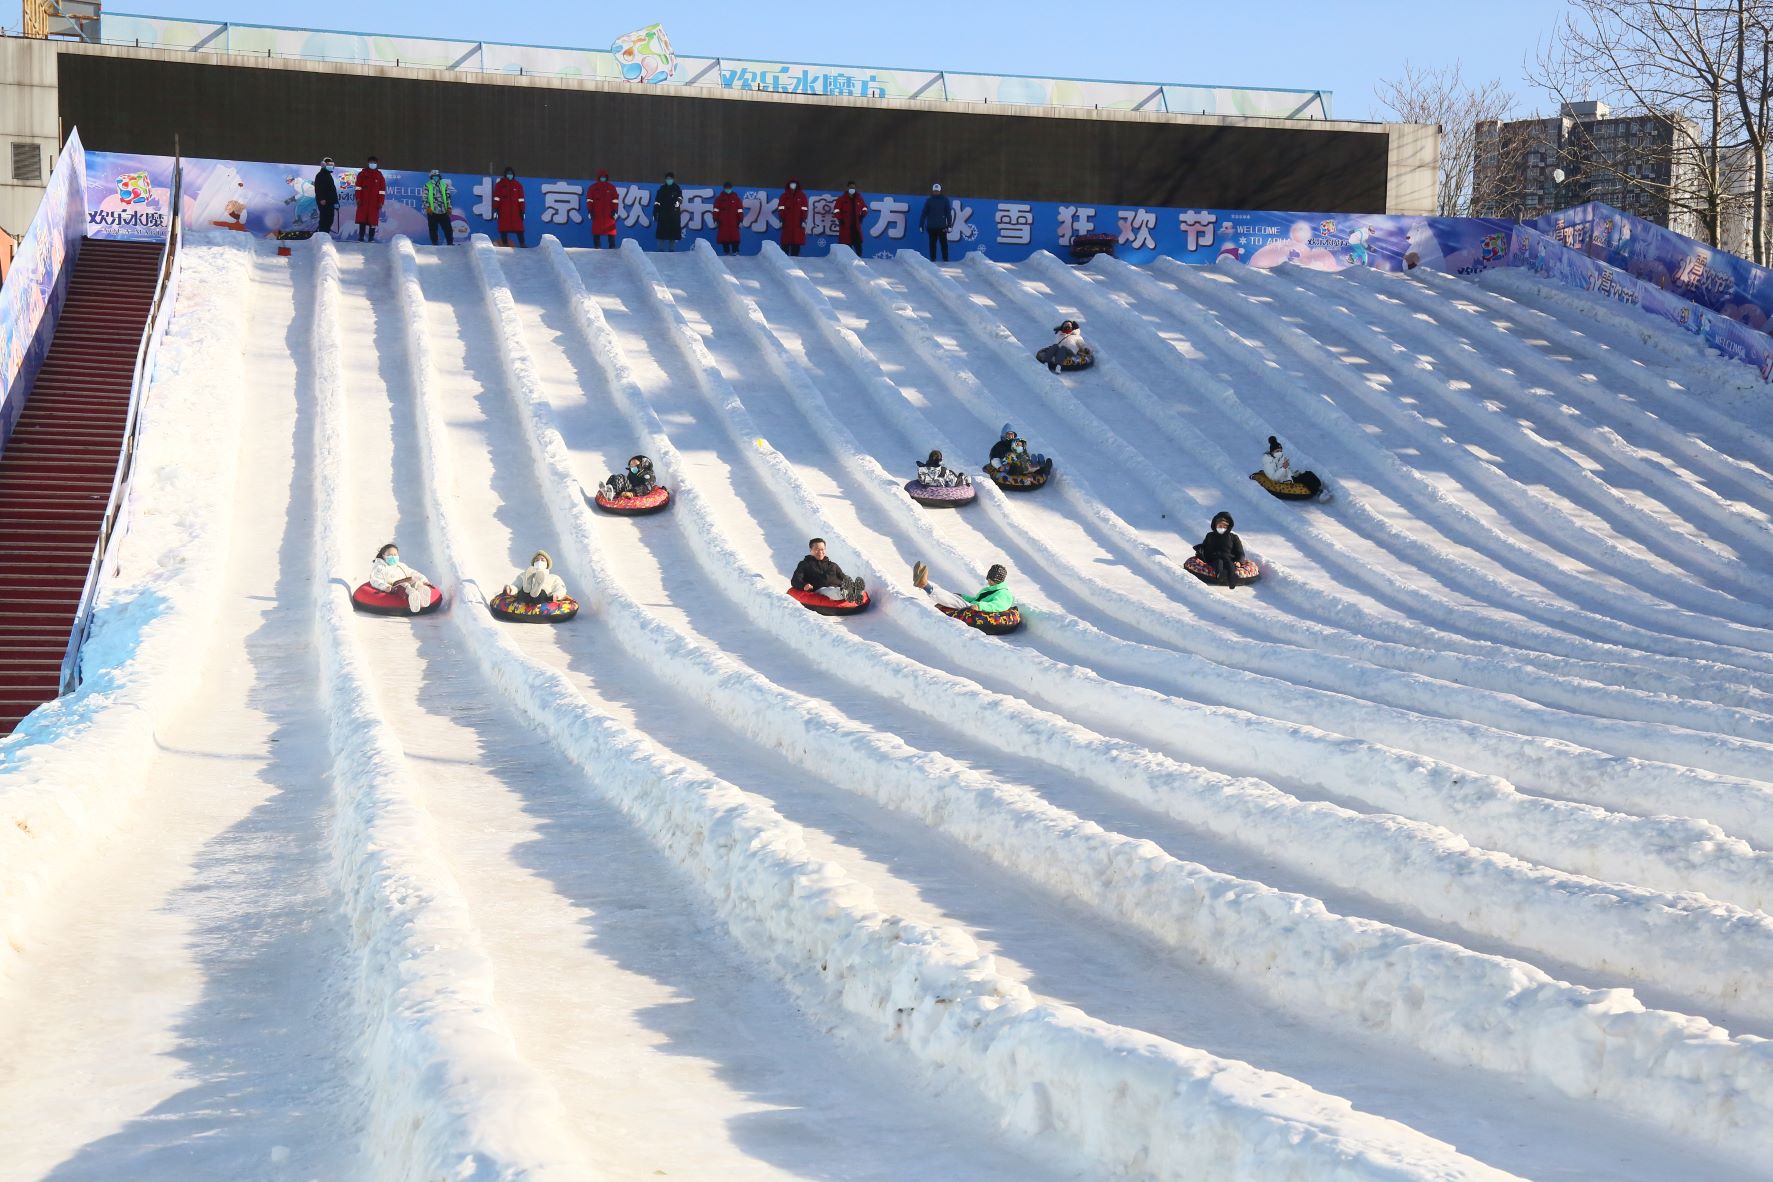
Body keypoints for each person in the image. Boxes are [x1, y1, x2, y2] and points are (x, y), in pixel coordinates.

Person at [911, 560, 1015, 615]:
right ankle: (925, 584)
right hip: (972, 605)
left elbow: (998, 606)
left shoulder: (1004, 594)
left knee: (953, 601)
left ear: (997, 580)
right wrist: (963, 596)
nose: (988, 581)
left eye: (990, 580)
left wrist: (980, 607)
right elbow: (975, 599)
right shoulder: (990, 589)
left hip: (978, 610)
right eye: (989, 579)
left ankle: (925, 585)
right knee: (952, 596)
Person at [791, 537, 865, 603]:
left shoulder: (833, 565)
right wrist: (804, 585)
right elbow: (796, 580)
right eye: (817, 549)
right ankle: (847, 593)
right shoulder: (804, 564)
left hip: (838, 587)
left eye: (822, 549)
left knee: (841, 588)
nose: (820, 552)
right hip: (821, 589)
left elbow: (844, 577)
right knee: (832, 591)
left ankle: (854, 591)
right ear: (811, 550)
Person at [369, 542, 435, 613]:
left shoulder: (400, 565)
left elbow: (412, 572)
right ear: (384, 556)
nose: (393, 557)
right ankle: (412, 595)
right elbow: (375, 579)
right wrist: (385, 587)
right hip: (394, 586)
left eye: (395, 555)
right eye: (390, 555)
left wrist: (424, 580)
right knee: (404, 586)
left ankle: (422, 590)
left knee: (415, 581)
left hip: (405, 581)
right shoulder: (380, 567)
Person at [1195, 511, 1248, 589]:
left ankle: (1232, 579)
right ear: (1215, 525)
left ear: (1228, 527)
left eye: (1224, 526)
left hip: (1228, 558)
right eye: (1220, 526)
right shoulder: (1210, 536)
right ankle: (1220, 576)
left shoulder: (1233, 537)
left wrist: (1239, 561)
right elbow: (1204, 547)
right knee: (1219, 563)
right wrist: (1200, 552)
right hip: (1213, 558)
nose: (1222, 528)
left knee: (1229, 564)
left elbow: (1240, 552)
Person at [503, 550, 568, 604]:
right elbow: (516, 585)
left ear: (547, 564)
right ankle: (527, 588)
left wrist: (556, 595)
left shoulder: (553, 577)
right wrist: (510, 589)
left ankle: (536, 589)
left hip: (543, 597)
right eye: (536, 560)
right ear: (533, 563)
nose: (539, 561)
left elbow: (561, 589)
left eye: (542, 560)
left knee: (542, 593)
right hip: (526, 598)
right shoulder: (525, 574)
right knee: (523, 592)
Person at [919, 183, 954, 262]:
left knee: (944, 244)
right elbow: (924, 213)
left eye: (937, 191)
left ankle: (945, 259)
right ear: (932, 191)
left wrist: (949, 225)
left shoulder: (945, 200)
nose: (936, 192)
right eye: (935, 191)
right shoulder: (929, 200)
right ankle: (933, 259)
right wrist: (921, 225)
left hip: (942, 226)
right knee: (932, 244)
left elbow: (948, 213)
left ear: (940, 191)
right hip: (931, 227)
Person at [354, 155, 386, 243]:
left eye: (374, 163)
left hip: (374, 203)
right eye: (371, 162)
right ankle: (361, 237)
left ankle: (371, 238)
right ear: (368, 163)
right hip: (363, 201)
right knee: (362, 220)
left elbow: (382, 191)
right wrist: (358, 198)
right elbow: (358, 188)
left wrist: (380, 202)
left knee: (373, 221)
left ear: (377, 164)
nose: (373, 164)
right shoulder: (362, 174)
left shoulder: (379, 175)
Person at [492, 167, 526, 247]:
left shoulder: (518, 185)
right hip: (503, 211)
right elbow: (497, 198)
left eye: (511, 173)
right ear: (505, 174)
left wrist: (522, 210)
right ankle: (505, 244)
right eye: (508, 173)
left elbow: (521, 199)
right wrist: (495, 209)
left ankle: (522, 243)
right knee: (503, 228)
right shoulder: (500, 185)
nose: (509, 175)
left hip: (516, 212)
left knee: (519, 229)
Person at [833, 183, 868, 254]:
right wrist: (840, 219)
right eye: (850, 187)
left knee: (858, 248)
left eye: (853, 187)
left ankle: (859, 262)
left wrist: (862, 215)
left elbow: (865, 208)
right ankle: (848, 263)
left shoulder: (859, 199)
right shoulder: (841, 199)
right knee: (846, 247)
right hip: (845, 226)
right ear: (847, 188)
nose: (852, 189)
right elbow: (836, 210)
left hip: (856, 227)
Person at [587, 170, 619, 248]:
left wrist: (615, 211)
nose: (603, 179)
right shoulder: (593, 188)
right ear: (598, 178)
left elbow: (615, 200)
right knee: (596, 231)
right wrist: (590, 211)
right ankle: (597, 247)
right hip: (597, 213)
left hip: (609, 214)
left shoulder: (611, 187)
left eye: (604, 177)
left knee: (611, 231)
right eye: (601, 177)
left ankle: (612, 247)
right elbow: (589, 200)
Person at [422, 169, 455, 246]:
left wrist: (449, 207)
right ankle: (434, 242)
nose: (435, 177)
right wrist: (427, 207)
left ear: (439, 176)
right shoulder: (427, 185)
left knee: (448, 228)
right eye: (434, 176)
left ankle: (450, 242)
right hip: (432, 211)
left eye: (437, 176)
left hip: (443, 210)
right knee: (433, 228)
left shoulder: (444, 185)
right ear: (431, 177)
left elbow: (448, 197)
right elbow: (424, 197)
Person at [778, 179, 809, 257]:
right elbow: (780, 208)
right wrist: (781, 220)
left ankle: (795, 259)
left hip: (798, 223)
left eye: (794, 184)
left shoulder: (802, 196)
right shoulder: (784, 196)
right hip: (787, 222)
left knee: (796, 242)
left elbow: (805, 209)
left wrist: (803, 220)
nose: (793, 185)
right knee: (785, 242)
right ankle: (784, 259)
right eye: (791, 184)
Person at [655, 171, 684, 252]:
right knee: (661, 233)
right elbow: (657, 201)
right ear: (665, 179)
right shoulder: (661, 189)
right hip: (663, 214)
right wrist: (655, 211)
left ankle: (672, 249)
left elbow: (680, 198)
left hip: (673, 214)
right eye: (667, 179)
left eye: (670, 179)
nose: (669, 180)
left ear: (673, 179)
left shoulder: (677, 188)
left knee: (673, 233)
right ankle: (660, 249)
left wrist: (677, 203)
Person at [714, 182, 744, 255]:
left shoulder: (736, 198)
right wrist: (715, 219)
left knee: (735, 238)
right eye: (726, 188)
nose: (728, 189)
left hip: (734, 222)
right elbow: (716, 210)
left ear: (731, 188)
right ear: (724, 188)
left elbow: (740, 210)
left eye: (729, 188)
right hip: (723, 222)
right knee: (724, 238)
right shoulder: (719, 199)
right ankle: (726, 252)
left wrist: (741, 220)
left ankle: (735, 251)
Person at [314, 157, 338, 236]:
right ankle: (322, 235)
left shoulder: (329, 175)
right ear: (324, 165)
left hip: (330, 201)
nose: (330, 166)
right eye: (328, 164)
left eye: (331, 164)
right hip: (324, 201)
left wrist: (336, 201)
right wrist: (321, 199)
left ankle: (325, 234)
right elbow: (318, 188)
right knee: (324, 218)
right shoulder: (320, 175)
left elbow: (333, 190)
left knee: (330, 219)